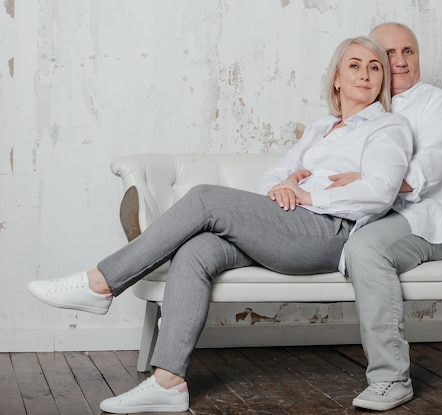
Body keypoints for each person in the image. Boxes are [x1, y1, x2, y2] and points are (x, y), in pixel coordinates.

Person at [27, 35, 413, 414]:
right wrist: (285, 185)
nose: (365, 74)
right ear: (336, 78)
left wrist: (310, 195)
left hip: (330, 232)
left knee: (204, 198)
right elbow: (272, 177)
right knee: (197, 250)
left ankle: (101, 283)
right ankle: (168, 383)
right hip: (288, 225)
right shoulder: (319, 130)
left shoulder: (387, 128)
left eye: (374, 67)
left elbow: (380, 191)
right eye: (355, 65)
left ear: (381, 80)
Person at [329, 23, 442, 411]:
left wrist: (378, 180)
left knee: (366, 249)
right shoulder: (366, 109)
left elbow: (428, 168)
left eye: (409, 51)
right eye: (389, 53)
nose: (401, 61)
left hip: (429, 223)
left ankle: (391, 377)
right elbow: (332, 169)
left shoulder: (438, 104)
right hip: (374, 216)